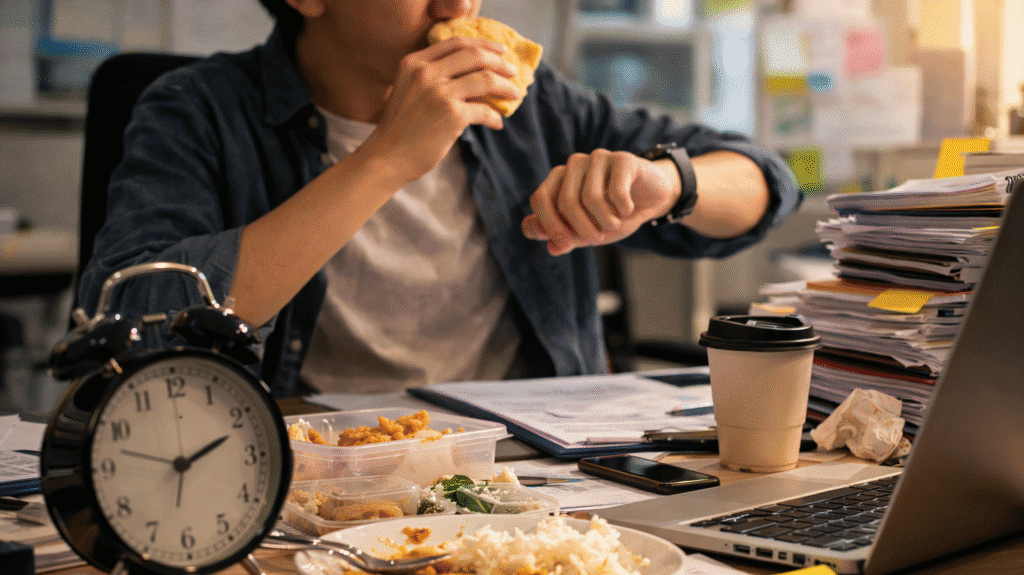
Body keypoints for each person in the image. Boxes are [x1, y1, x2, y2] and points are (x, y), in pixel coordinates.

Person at [78, 0, 802, 397]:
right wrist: (385, 159)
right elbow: (132, 319)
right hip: (304, 475)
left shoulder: (533, 105)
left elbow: (767, 180)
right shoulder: (196, 110)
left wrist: (667, 183)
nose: (458, 4)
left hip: (532, 481)